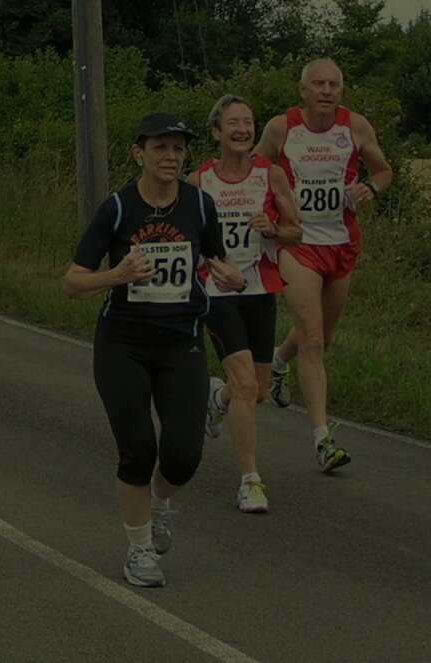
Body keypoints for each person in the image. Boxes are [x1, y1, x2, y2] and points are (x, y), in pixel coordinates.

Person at [63, 113, 245, 588]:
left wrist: (232, 275)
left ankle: (161, 504)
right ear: (138, 153)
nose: (171, 157)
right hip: (122, 344)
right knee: (139, 449)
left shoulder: (200, 205)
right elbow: (73, 282)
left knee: (183, 455)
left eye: (179, 149)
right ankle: (139, 549)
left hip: (180, 343)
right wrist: (115, 276)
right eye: (160, 148)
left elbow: (219, 259)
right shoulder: (118, 209)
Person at [255, 58, 392, 471]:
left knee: (323, 338)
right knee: (312, 340)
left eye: (333, 84)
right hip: (297, 243)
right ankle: (322, 440)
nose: (327, 91)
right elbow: (257, 168)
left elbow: (384, 171)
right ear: (303, 90)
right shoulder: (282, 127)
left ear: (341, 91)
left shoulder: (356, 126)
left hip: (342, 242)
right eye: (318, 84)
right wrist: (270, 215)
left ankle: (279, 360)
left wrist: (370, 187)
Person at [186, 95, 303, 513]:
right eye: (233, 123)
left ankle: (216, 402)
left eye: (248, 123)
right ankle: (250, 480)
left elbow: (296, 232)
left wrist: (273, 228)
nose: (242, 130)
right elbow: (181, 237)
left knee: (255, 393)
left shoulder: (270, 175)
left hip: (259, 288)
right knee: (247, 385)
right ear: (216, 132)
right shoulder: (199, 183)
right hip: (216, 292)